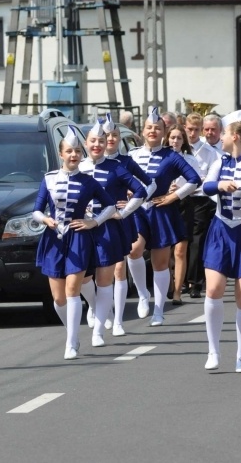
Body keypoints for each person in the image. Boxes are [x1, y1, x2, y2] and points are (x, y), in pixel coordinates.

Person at [32, 126, 118, 360]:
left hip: (78, 238)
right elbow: (36, 211)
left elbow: (111, 206)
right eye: (69, 151)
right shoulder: (48, 179)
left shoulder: (89, 181)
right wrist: (45, 220)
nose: (74, 155)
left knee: (72, 291)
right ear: (61, 154)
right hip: (53, 239)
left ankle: (70, 344)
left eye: (78, 151)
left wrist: (94, 222)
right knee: (58, 299)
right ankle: (73, 333)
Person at [202, 112, 241, 373]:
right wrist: (221, 184)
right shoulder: (221, 160)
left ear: (236, 137)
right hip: (221, 229)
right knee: (214, 289)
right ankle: (213, 350)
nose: (222, 137)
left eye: (225, 133)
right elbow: (206, 186)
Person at [130, 107, 201, 327]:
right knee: (134, 250)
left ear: (163, 132)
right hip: (136, 210)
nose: (153, 131)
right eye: (149, 128)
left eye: (157, 128)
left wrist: (173, 197)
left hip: (160, 211)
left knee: (161, 263)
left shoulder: (171, 156)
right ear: (143, 131)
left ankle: (159, 309)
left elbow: (194, 179)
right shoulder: (132, 155)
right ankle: (143, 294)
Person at [79, 120, 147, 342]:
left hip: (107, 228)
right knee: (83, 279)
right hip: (82, 229)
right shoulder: (78, 167)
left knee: (107, 278)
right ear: (85, 143)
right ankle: (93, 305)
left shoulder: (116, 167)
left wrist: (124, 212)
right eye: (93, 141)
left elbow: (140, 190)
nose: (98, 144)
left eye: (101, 140)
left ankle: (100, 330)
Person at [102, 113, 157, 324]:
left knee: (133, 253)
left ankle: (143, 293)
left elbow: (149, 184)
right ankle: (108, 311)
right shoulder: (91, 163)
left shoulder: (126, 161)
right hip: (102, 217)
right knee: (111, 266)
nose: (110, 139)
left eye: (115, 135)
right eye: (107, 135)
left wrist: (136, 199)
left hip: (128, 214)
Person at [184, 112, 222, 300]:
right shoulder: (181, 148)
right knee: (182, 241)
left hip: (200, 198)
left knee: (197, 241)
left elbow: (211, 175)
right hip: (181, 197)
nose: (192, 133)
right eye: (189, 129)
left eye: (196, 130)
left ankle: (195, 282)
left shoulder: (208, 151)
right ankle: (180, 280)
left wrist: (195, 182)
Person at [165, 124, 201, 305]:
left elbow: (198, 183)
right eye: (172, 137)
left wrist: (181, 190)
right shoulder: (161, 158)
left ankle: (178, 291)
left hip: (183, 204)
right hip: (163, 204)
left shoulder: (190, 159)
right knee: (165, 251)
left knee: (180, 250)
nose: (175, 141)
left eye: (179, 138)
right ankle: (169, 284)